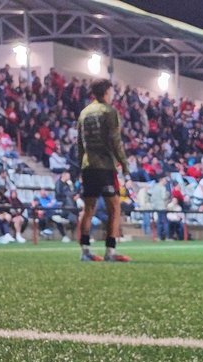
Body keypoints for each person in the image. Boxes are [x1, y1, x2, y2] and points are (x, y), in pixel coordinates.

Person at [75, 79, 130, 262]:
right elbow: (115, 141)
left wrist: (80, 165)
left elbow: (79, 143)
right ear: (107, 91)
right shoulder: (110, 112)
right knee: (114, 207)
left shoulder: (84, 113)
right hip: (105, 166)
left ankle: (85, 251)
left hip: (88, 165)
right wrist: (124, 163)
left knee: (88, 208)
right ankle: (110, 251)